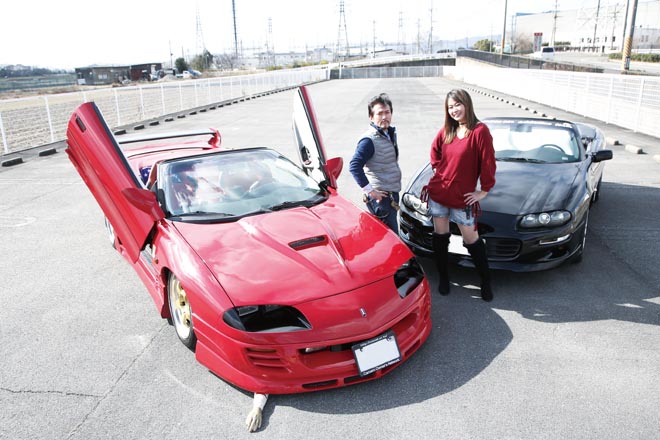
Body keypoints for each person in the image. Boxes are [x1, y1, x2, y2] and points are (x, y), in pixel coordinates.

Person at [424, 89, 496, 302]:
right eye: (450, 107)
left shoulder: (480, 131)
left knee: (471, 239)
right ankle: (444, 279)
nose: (454, 110)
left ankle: (485, 281)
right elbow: (434, 153)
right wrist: (441, 171)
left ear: (467, 104)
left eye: (457, 105)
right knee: (440, 237)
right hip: (439, 193)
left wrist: (484, 190)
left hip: (463, 198)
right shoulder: (448, 130)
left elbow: (488, 162)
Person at [349, 93, 402, 233]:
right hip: (382, 198)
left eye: (387, 112)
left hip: (389, 194)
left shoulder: (388, 134)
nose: (384, 117)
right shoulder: (369, 140)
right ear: (371, 117)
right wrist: (371, 191)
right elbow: (354, 166)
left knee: (384, 238)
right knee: (391, 239)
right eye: (380, 113)